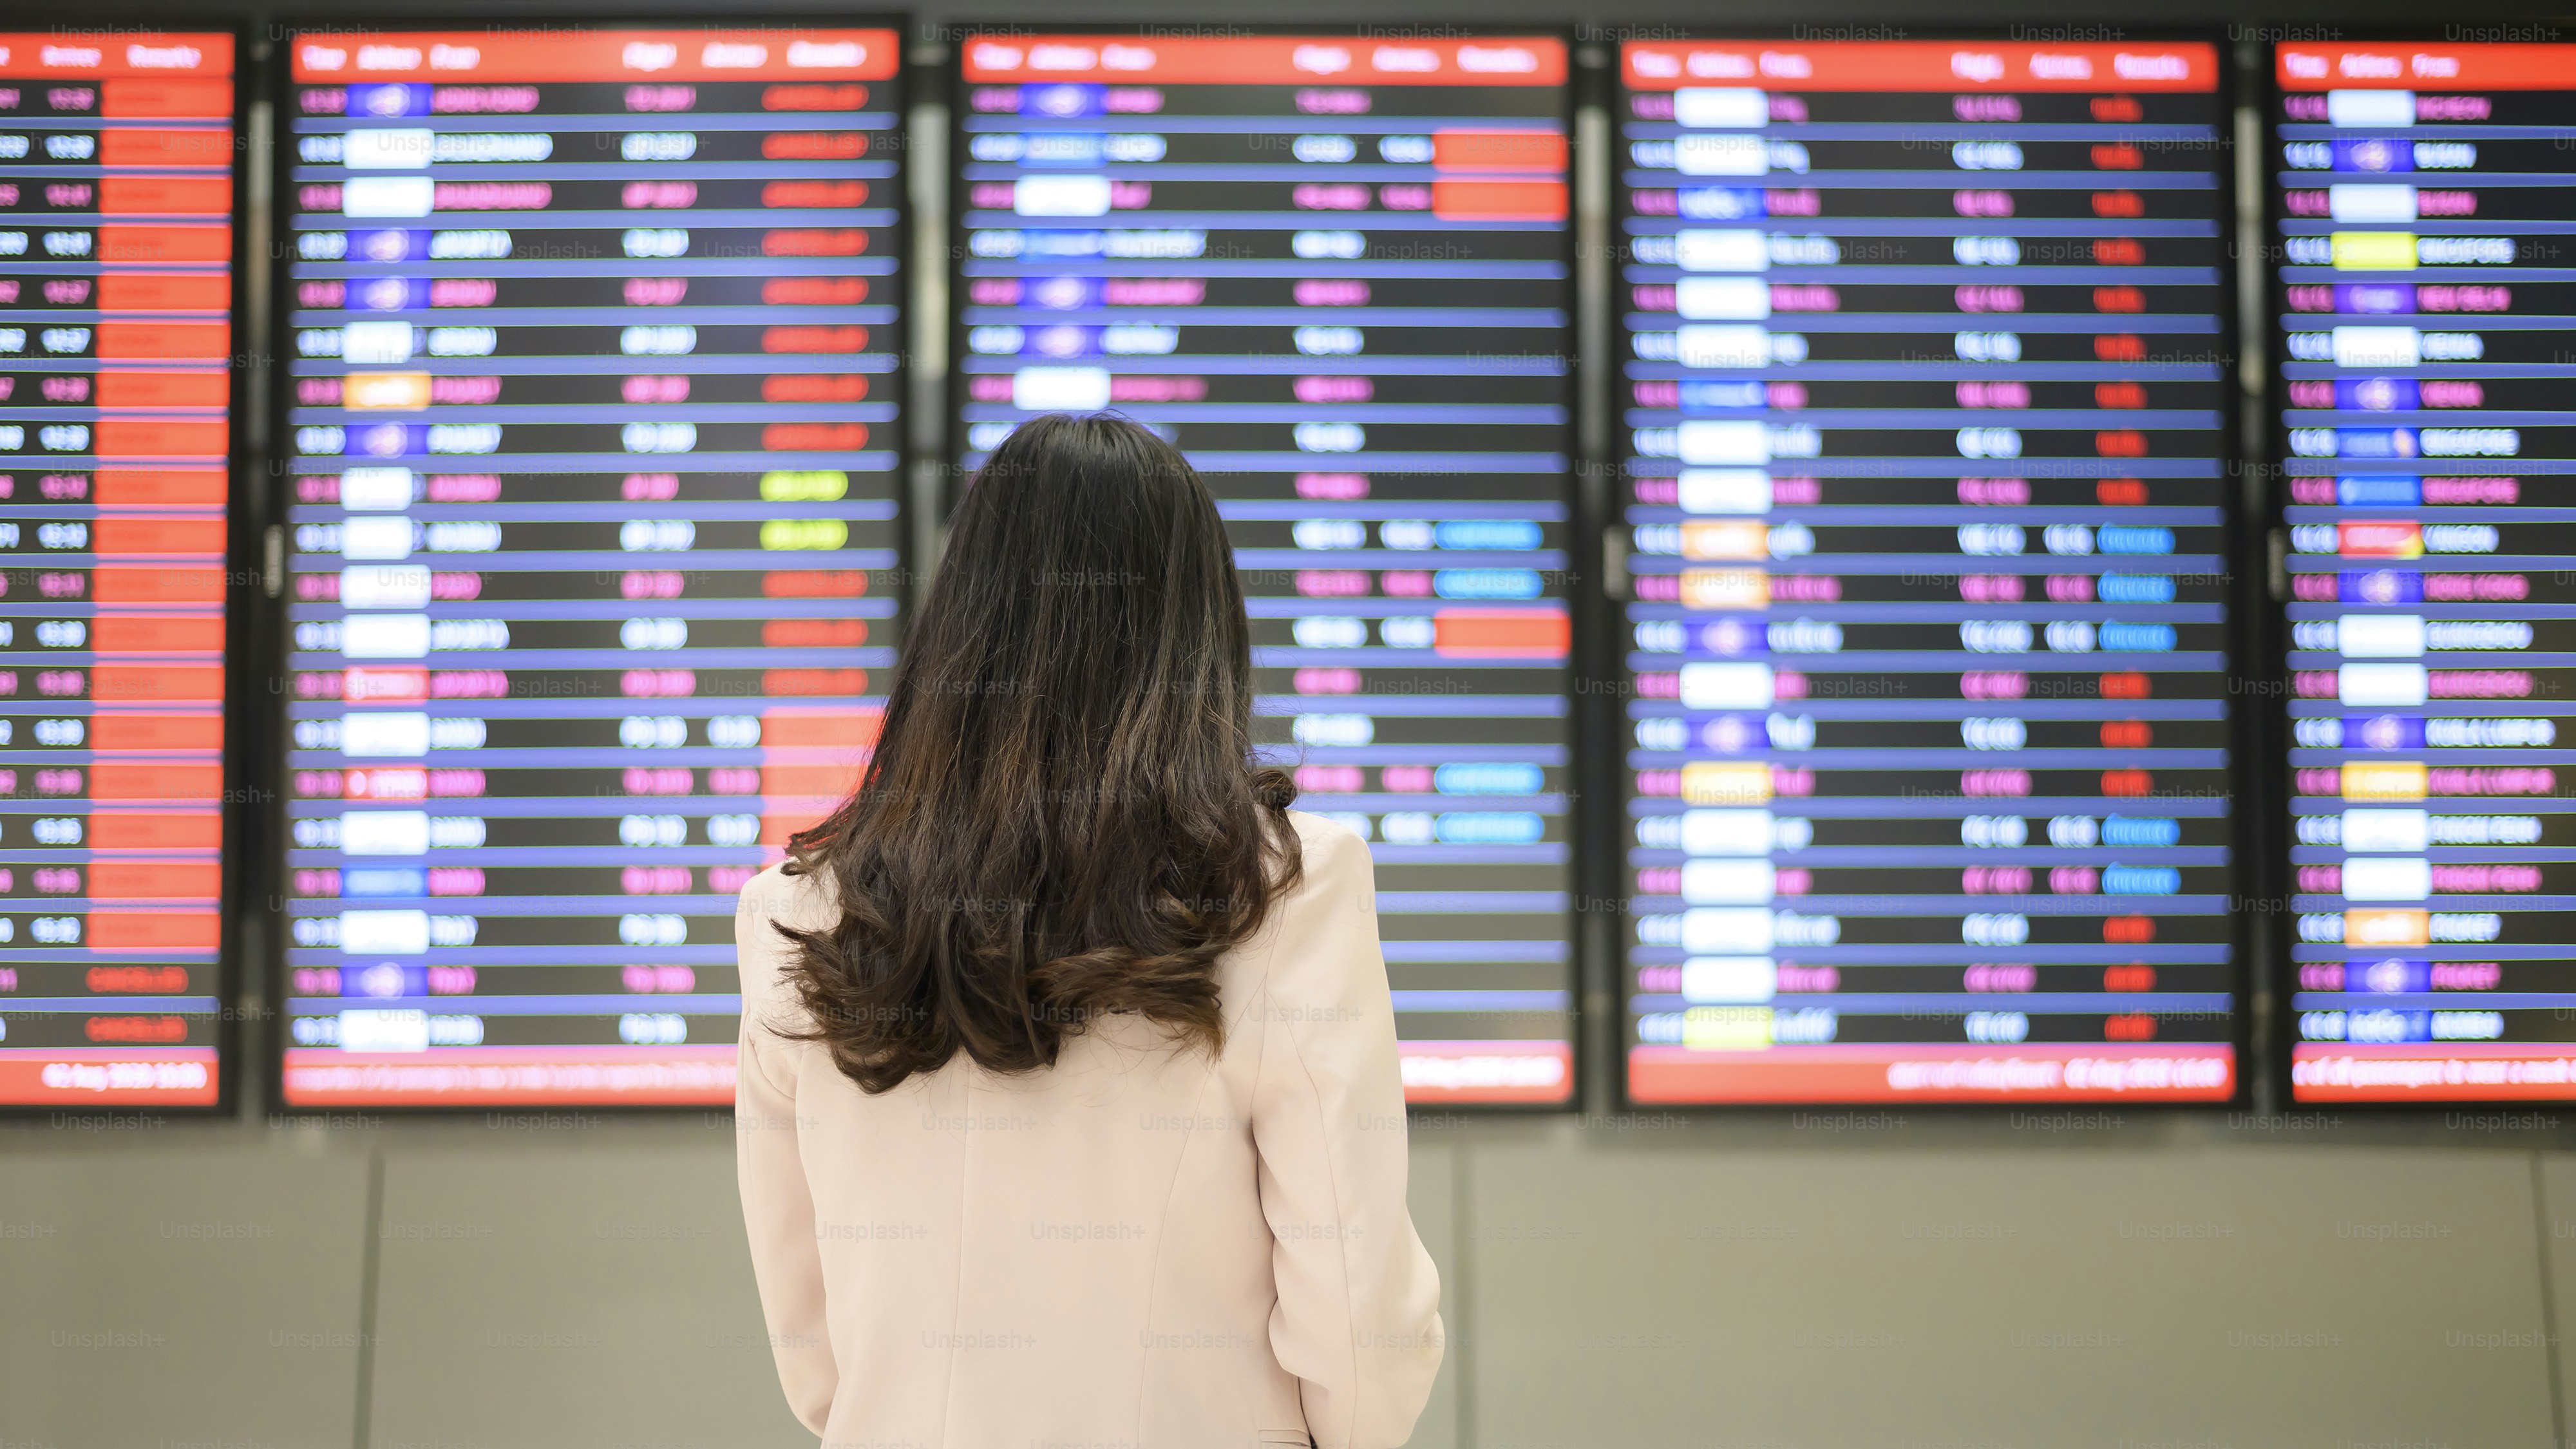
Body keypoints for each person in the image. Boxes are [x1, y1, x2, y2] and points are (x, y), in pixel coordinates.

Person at [734, 412, 1444, 1448]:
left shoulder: (799, 912)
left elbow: (813, 1351)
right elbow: (1355, 1328)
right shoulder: (1284, 887)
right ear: (1197, 630)